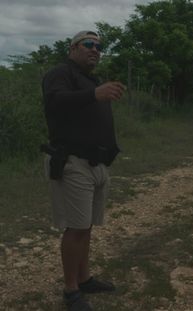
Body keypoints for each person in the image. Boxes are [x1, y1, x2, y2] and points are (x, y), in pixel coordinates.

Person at [42, 30, 126, 310]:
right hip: (73, 163)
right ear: (73, 48)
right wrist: (94, 93)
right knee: (76, 228)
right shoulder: (60, 73)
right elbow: (54, 102)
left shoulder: (91, 80)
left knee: (86, 226)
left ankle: (84, 277)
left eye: (99, 46)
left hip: (96, 163)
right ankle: (71, 290)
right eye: (88, 44)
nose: (95, 50)